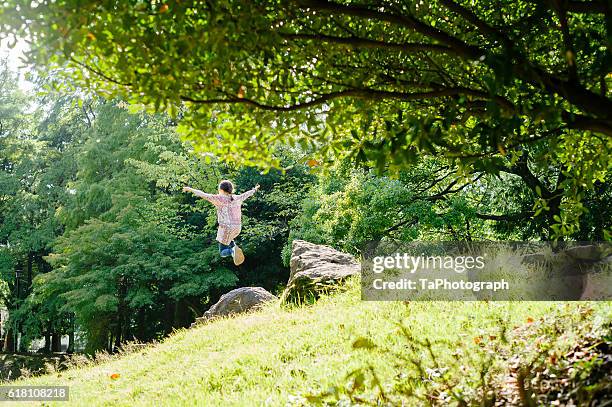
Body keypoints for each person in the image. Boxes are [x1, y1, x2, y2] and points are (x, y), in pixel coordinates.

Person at [183, 180, 259, 266]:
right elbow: (247, 194)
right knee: (229, 239)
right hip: (237, 228)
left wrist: (190, 189)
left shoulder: (219, 199)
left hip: (227, 228)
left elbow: (203, 194)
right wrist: (255, 189)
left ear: (221, 190)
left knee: (222, 252)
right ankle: (233, 247)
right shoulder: (237, 198)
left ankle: (232, 251)